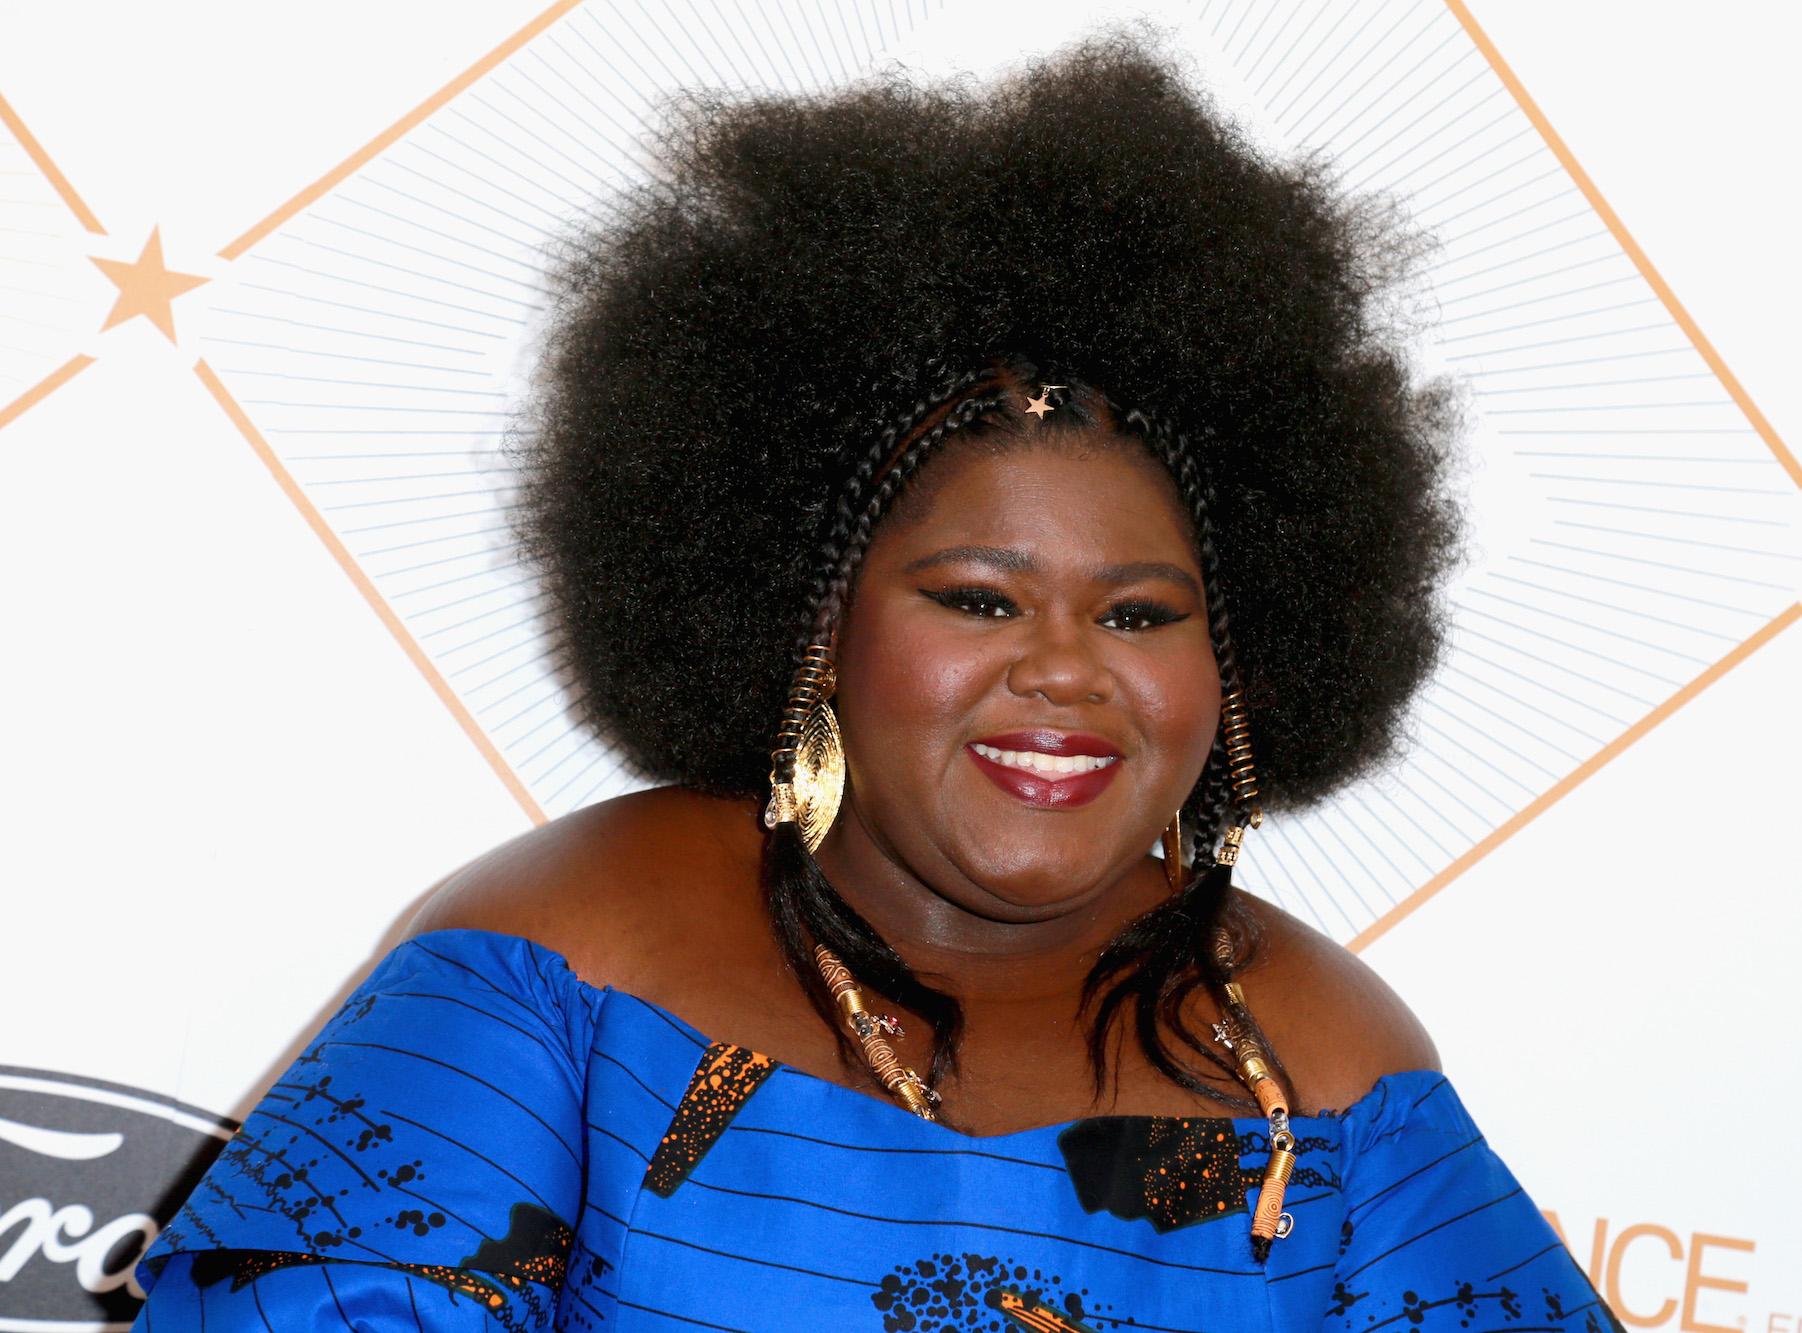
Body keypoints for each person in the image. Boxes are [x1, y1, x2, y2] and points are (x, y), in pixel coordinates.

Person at [134, 38, 1618, 1333]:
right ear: (816, 620)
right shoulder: (577, 946)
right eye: (978, 596)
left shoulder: (1330, 1061)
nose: (1063, 667)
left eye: (1143, 612)